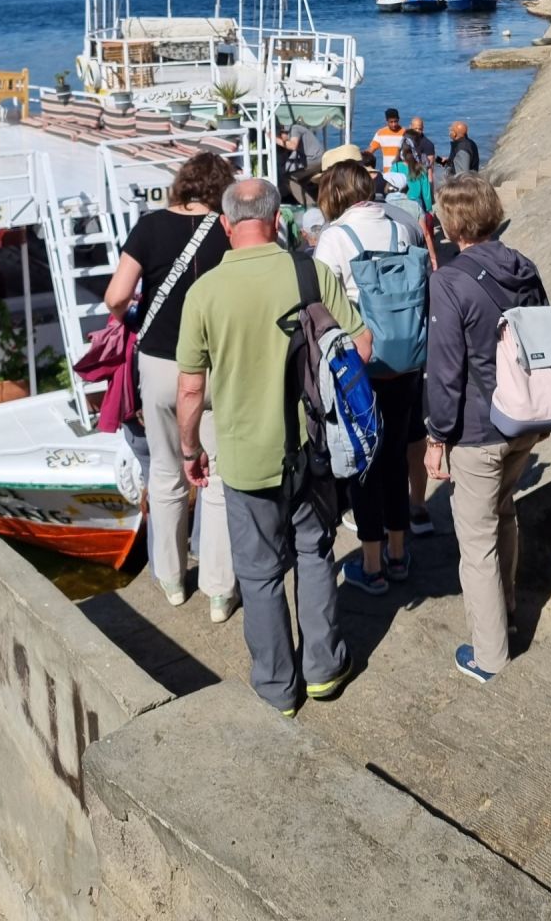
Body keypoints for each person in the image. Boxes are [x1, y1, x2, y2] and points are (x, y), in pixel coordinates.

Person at [176, 177, 371, 714]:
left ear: (225, 225)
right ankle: (325, 670)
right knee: (314, 551)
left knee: (259, 574)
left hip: (245, 459)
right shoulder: (311, 271)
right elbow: (361, 344)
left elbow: (191, 389)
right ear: (276, 217)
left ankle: (276, 689)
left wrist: (190, 451)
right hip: (313, 447)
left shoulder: (205, 292)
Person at [104, 151, 238, 622]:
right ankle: (220, 592)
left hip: (160, 361)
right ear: (222, 187)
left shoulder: (149, 226)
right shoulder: (229, 228)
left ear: (182, 184)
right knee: (218, 472)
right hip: (217, 362)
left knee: (164, 468)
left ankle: (172, 579)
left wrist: (136, 318)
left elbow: (117, 296)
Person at [424, 173, 547, 682]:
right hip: (527, 417)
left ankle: (489, 655)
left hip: (477, 429)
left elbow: (446, 369)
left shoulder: (449, 281)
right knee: (503, 514)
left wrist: (436, 436)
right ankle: (509, 608)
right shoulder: (523, 266)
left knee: (475, 543)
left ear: (452, 223)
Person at [314, 160, 426, 593]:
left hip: (360, 366)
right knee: (396, 456)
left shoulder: (335, 237)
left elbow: (324, 303)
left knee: (363, 462)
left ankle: (373, 563)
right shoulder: (403, 226)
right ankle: (399, 553)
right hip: (406, 361)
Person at [368, 107, 405, 173]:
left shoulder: (405, 133)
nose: (393, 124)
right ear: (386, 120)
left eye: (395, 121)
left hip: (403, 171)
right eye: (391, 122)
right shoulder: (380, 133)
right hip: (387, 173)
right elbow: (370, 151)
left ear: (398, 119)